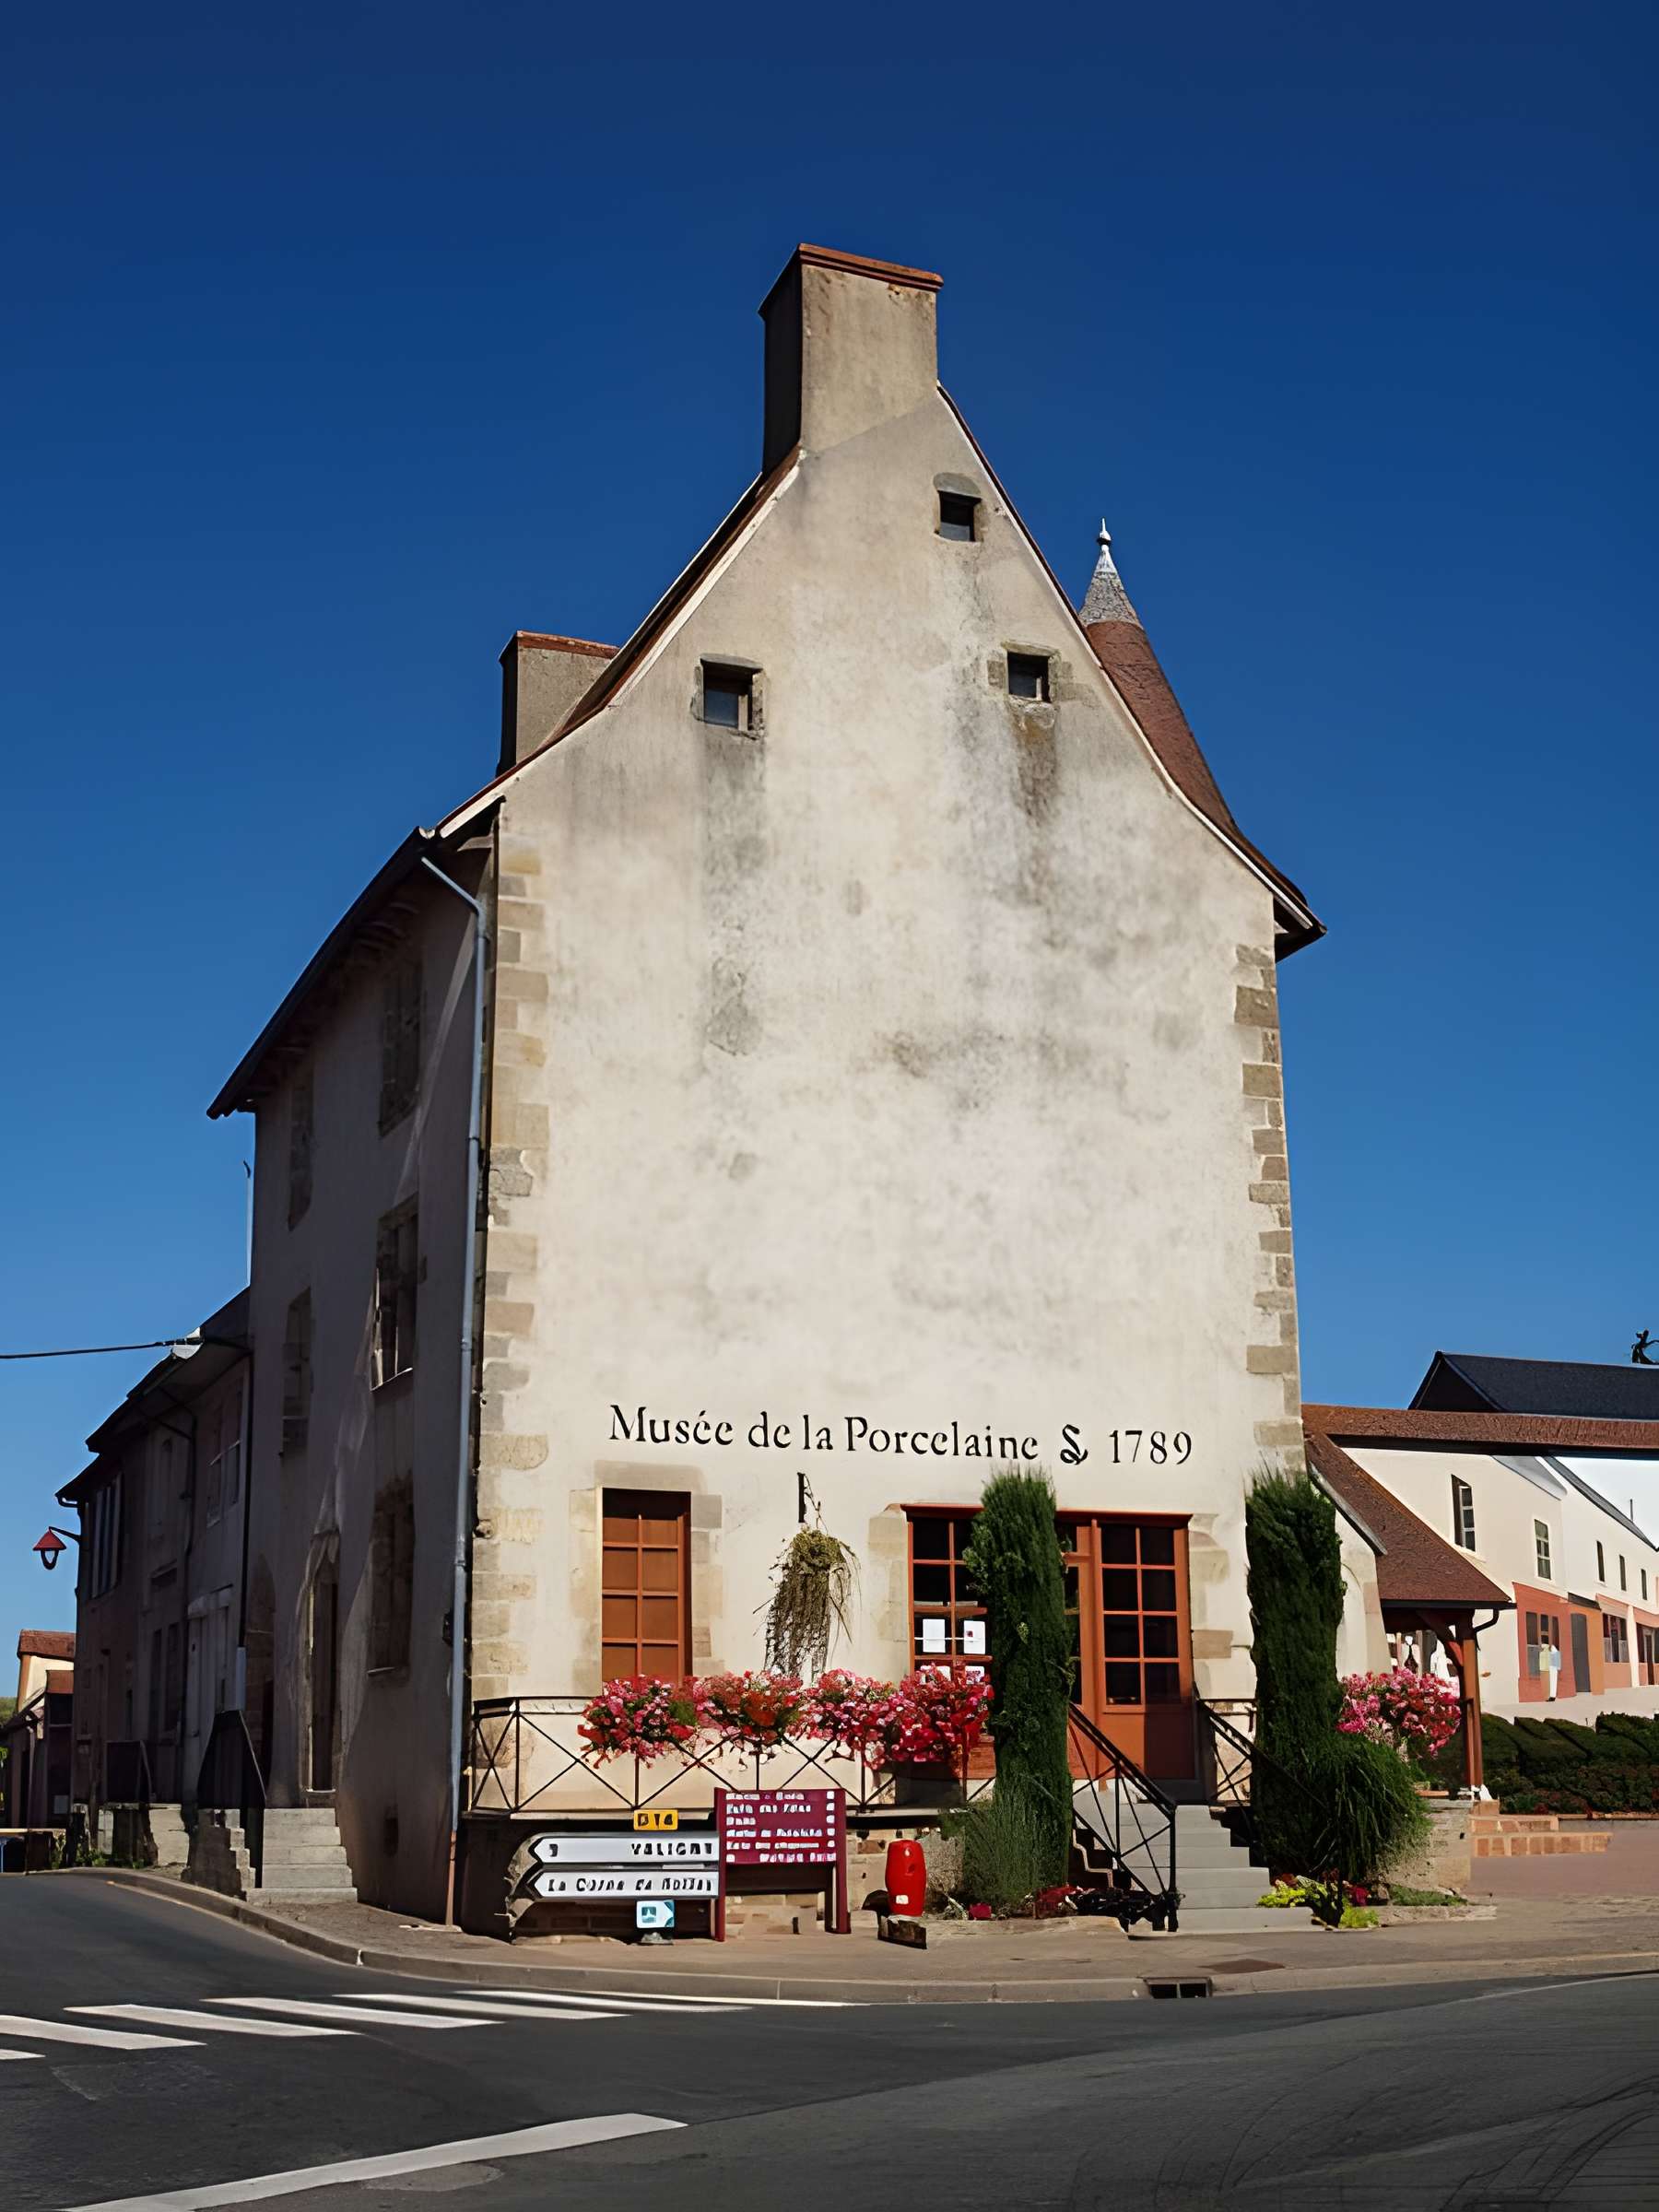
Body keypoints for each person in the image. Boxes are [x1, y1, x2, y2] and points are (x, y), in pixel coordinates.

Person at [1547, 1636, 1562, 1701]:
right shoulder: (1553, 1650)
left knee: (1553, 1682)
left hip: (1553, 1668)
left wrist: (1558, 1667)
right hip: (1551, 1668)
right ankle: (1552, 1696)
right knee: (1551, 1682)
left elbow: (1557, 1658)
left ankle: (1552, 1696)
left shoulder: (1553, 1649)